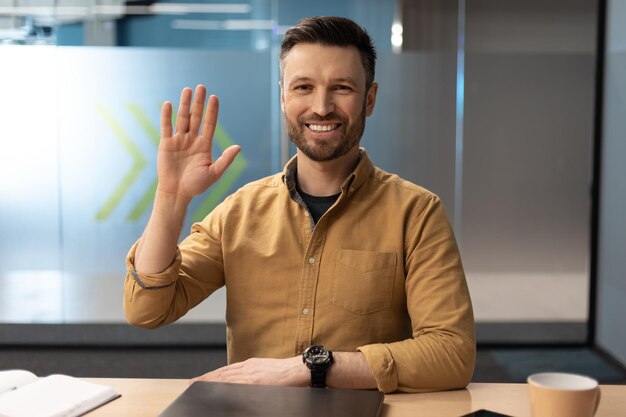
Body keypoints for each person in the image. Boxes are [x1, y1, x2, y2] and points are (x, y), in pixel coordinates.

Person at [124, 16, 475, 393]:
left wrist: (314, 367)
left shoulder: (417, 213)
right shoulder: (239, 212)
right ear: (283, 97)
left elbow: (451, 355)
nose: (321, 107)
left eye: (341, 88)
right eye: (303, 87)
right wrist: (171, 198)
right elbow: (147, 309)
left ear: (369, 99)